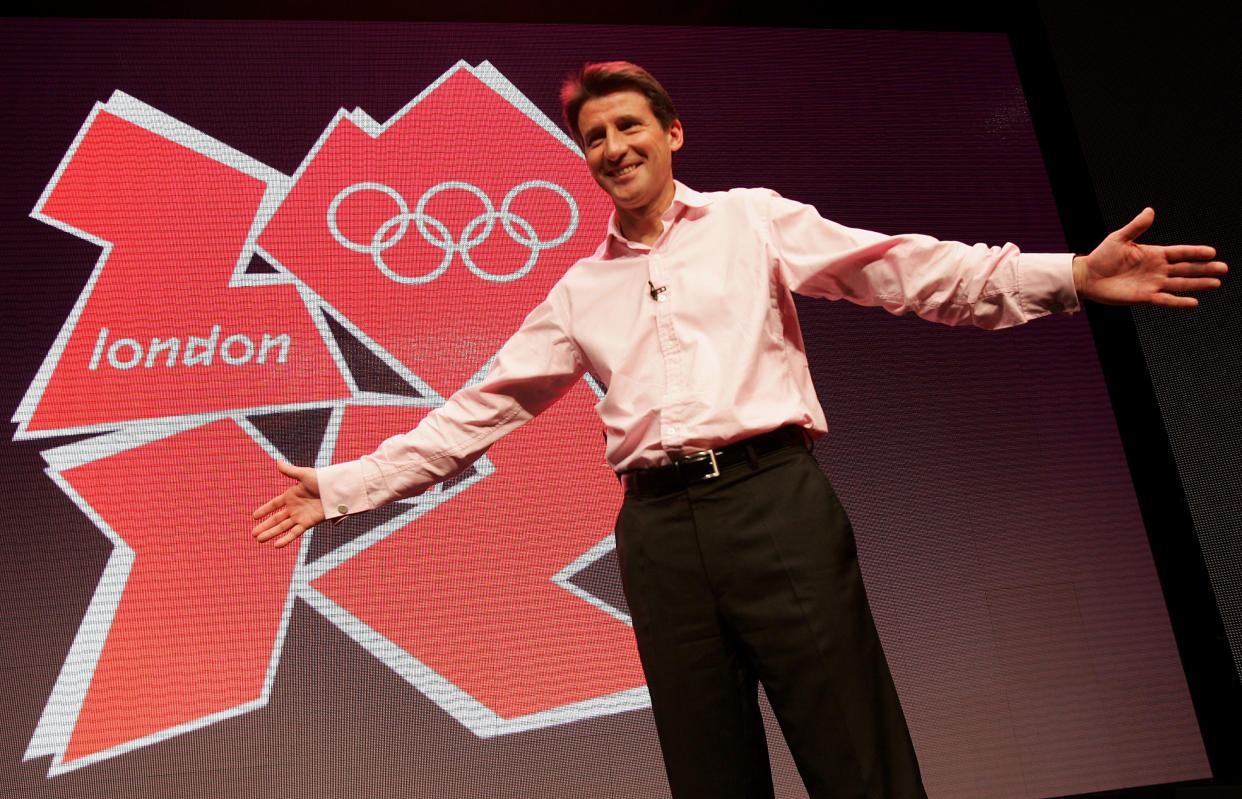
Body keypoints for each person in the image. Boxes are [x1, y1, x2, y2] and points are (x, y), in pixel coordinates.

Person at [252, 62, 1226, 798]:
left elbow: (907, 271)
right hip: (660, 534)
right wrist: (341, 487)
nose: (614, 146)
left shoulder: (751, 221)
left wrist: (1069, 276)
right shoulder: (577, 291)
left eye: (629, 124)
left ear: (671, 131)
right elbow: (479, 411)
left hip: (775, 505)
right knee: (709, 773)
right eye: (593, 136)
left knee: (855, 754)